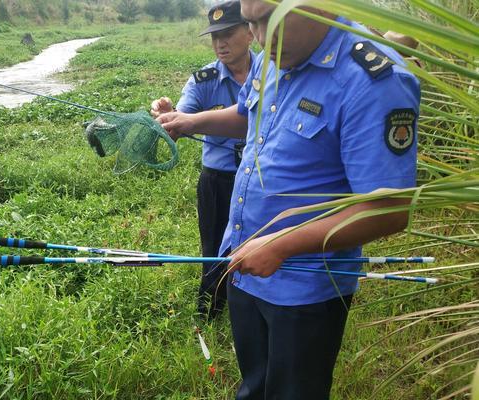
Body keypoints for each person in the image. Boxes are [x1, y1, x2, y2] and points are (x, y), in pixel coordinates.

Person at [157, 1, 420, 398]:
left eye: (270, 20)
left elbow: (389, 209)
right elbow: (250, 115)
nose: (260, 36)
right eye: (251, 23)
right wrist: (191, 121)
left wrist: (282, 245)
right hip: (243, 260)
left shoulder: (372, 79)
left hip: (305, 287)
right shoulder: (271, 58)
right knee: (256, 383)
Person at [150, 0, 256, 320]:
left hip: (263, 176)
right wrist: (168, 115)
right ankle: (208, 316)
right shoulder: (203, 80)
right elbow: (180, 120)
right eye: (214, 36)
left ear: (250, 32)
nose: (220, 43)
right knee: (215, 251)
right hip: (218, 179)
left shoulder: (273, 71)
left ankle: (254, 311)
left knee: (261, 246)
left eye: (228, 33)